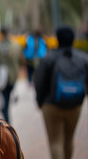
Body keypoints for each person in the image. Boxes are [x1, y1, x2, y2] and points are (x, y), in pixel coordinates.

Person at [34, 26, 88, 159]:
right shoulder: (83, 58)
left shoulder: (49, 58)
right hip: (75, 105)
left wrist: (41, 102)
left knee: (55, 141)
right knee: (69, 140)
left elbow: (39, 82)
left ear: (57, 38)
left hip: (51, 106)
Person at [0, 27, 22, 123]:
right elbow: (20, 61)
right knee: (6, 101)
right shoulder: (16, 46)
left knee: (4, 103)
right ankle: (7, 123)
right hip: (12, 78)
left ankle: (7, 125)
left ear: (1, 34)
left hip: (0, 79)